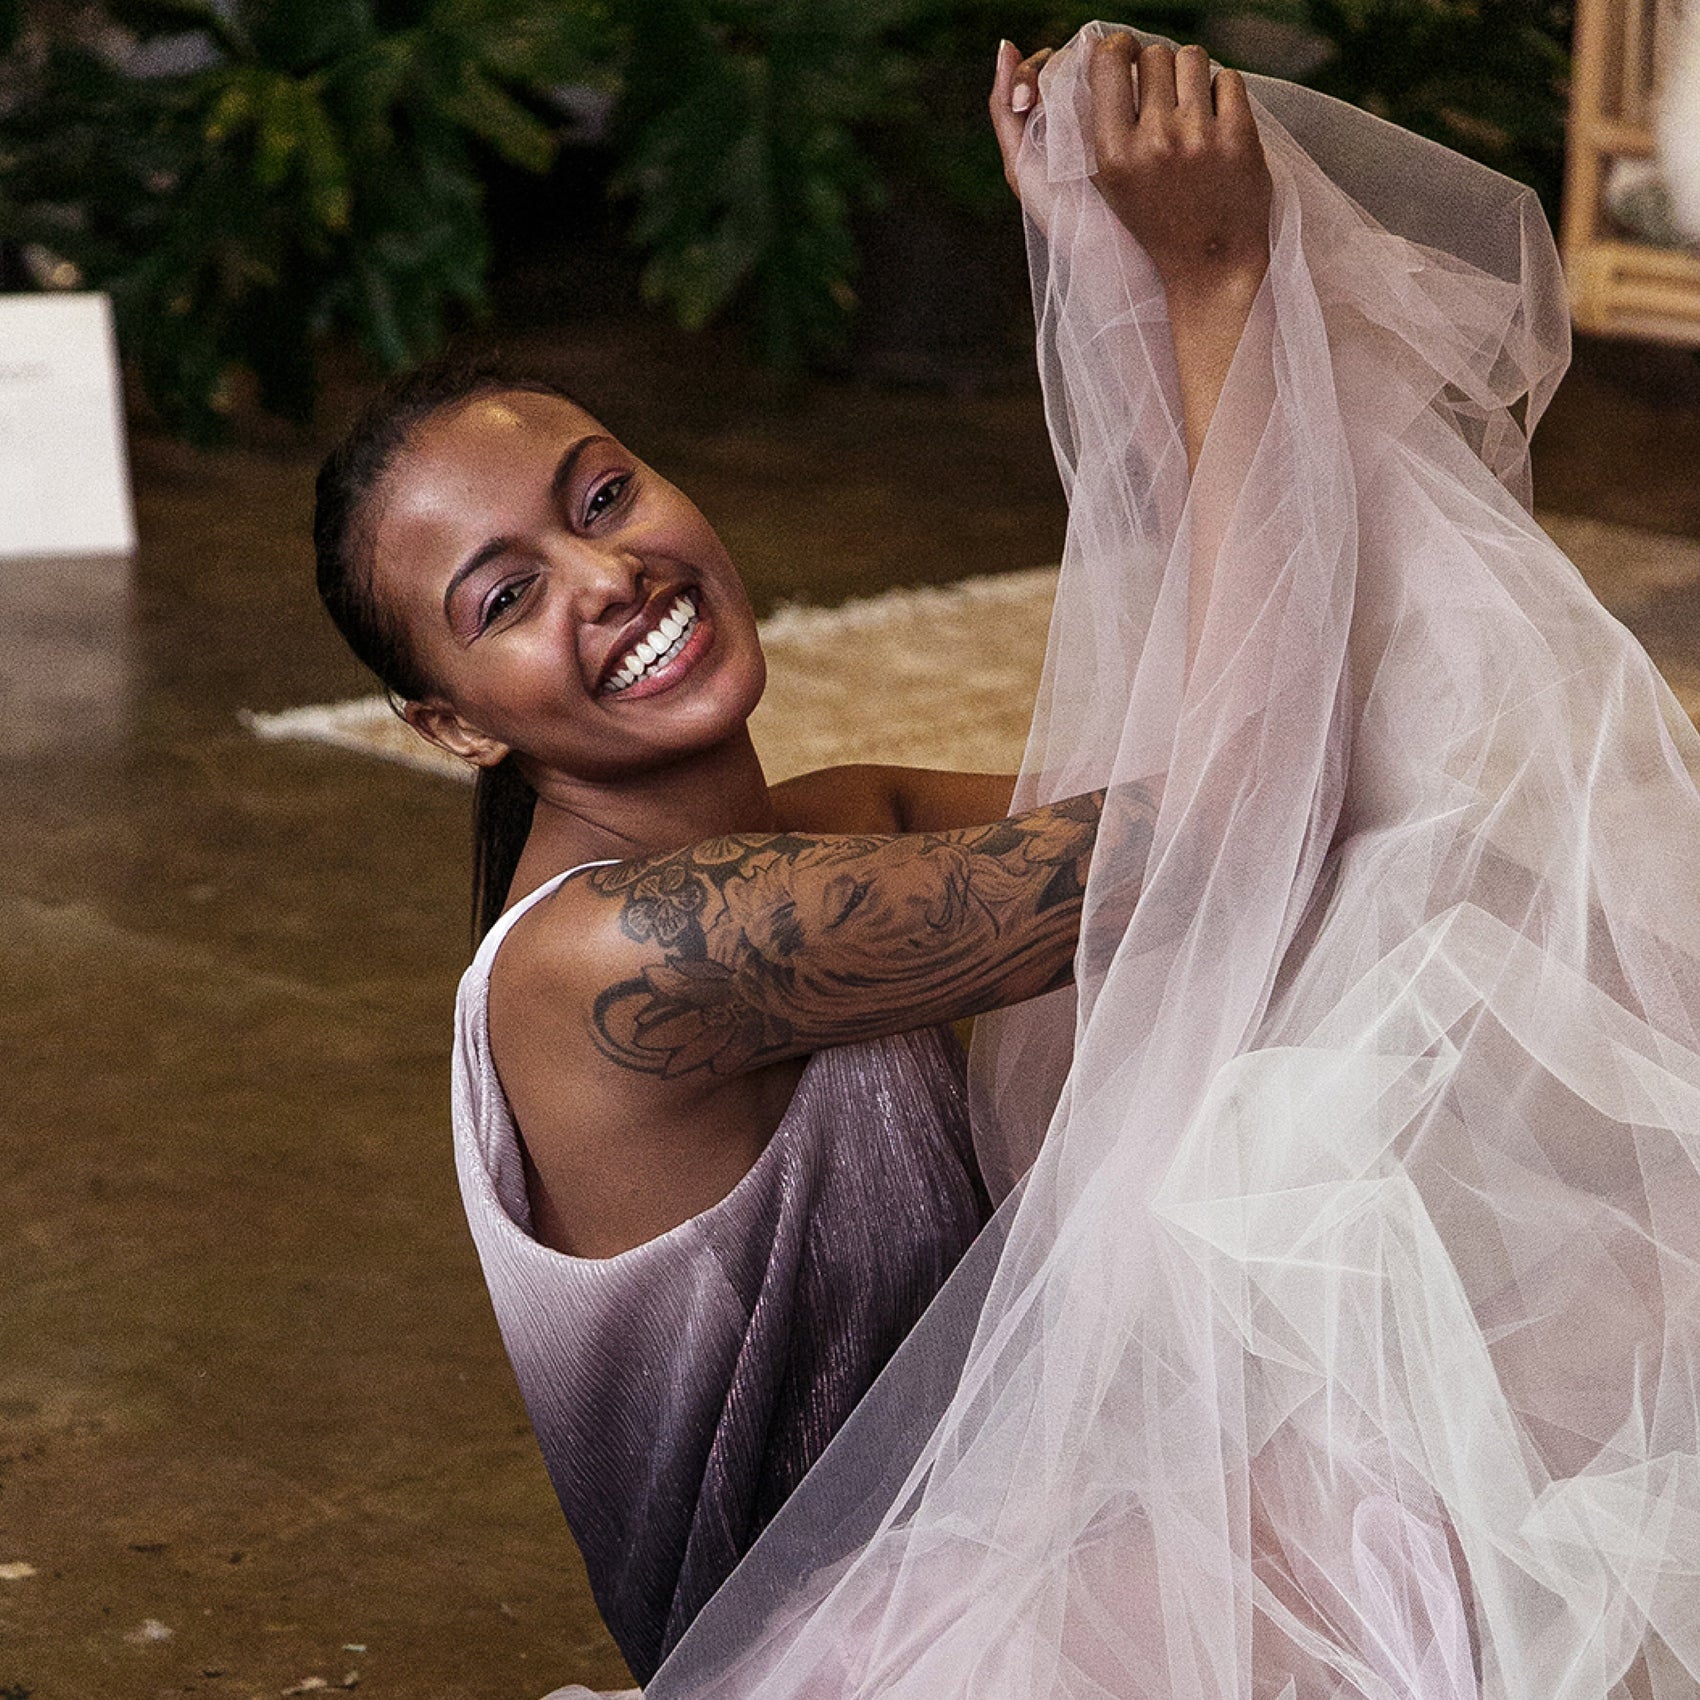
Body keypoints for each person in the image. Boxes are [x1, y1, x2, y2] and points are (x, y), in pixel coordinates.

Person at [312, 30, 1272, 1688]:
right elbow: (1228, 832)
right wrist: (1217, 275)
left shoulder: (835, 830)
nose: (602, 577)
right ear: (452, 725)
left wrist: (1108, 287)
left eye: (601, 497)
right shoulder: (623, 958)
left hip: (1016, 1581)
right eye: (505, 596)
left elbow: (1224, 751)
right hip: (882, 1661)